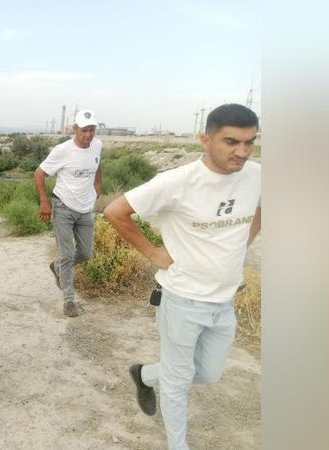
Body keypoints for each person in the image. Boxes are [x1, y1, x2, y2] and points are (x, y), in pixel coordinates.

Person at [103, 103, 261, 450]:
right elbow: (115, 211)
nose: (242, 152)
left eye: (250, 142)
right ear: (205, 138)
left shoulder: (257, 175)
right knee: (177, 380)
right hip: (182, 300)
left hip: (225, 300)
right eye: (232, 141)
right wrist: (154, 253)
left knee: (207, 373)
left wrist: (243, 242)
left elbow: (262, 206)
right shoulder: (177, 182)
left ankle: (143, 374)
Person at [34, 109, 102, 317]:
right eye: (84, 130)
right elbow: (39, 174)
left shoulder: (98, 146)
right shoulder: (62, 150)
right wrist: (44, 202)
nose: (88, 135)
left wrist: (98, 187)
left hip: (85, 209)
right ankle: (69, 301)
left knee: (85, 253)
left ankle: (56, 266)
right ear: (75, 129)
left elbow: (97, 165)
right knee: (67, 254)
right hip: (63, 207)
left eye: (92, 130)